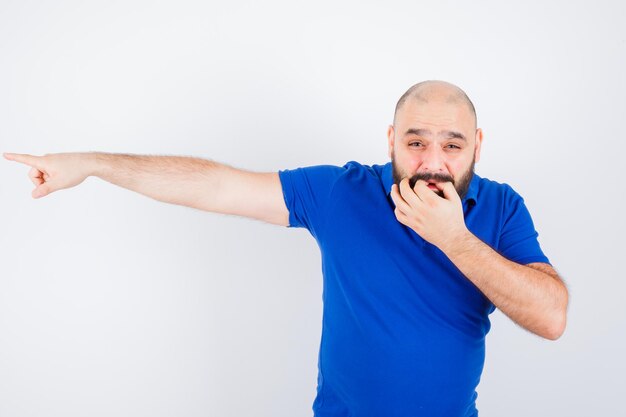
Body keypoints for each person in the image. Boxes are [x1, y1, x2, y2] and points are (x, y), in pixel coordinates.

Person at [4, 80, 568, 417]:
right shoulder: (339, 193)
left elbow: (551, 318)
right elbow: (217, 185)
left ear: (478, 146)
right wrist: (92, 165)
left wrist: (454, 238)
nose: (432, 163)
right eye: (415, 142)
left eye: (452, 144)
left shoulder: (500, 208)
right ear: (390, 140)